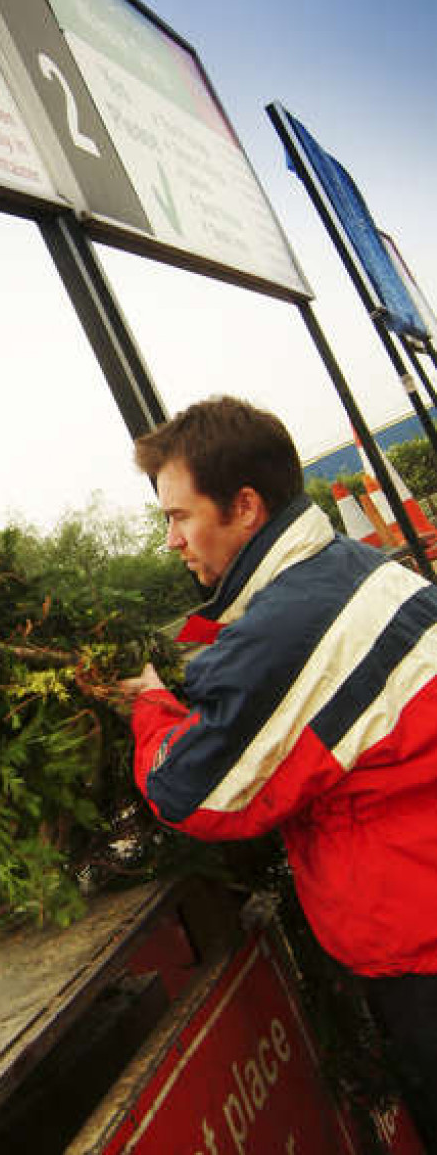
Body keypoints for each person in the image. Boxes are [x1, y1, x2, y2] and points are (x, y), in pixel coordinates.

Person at [118, 396, 437, 1148]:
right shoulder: (347, 569)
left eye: (178, 515)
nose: (170, 539)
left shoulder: (289, 622)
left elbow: (193, 791)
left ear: (245, 506)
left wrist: (148, 705)